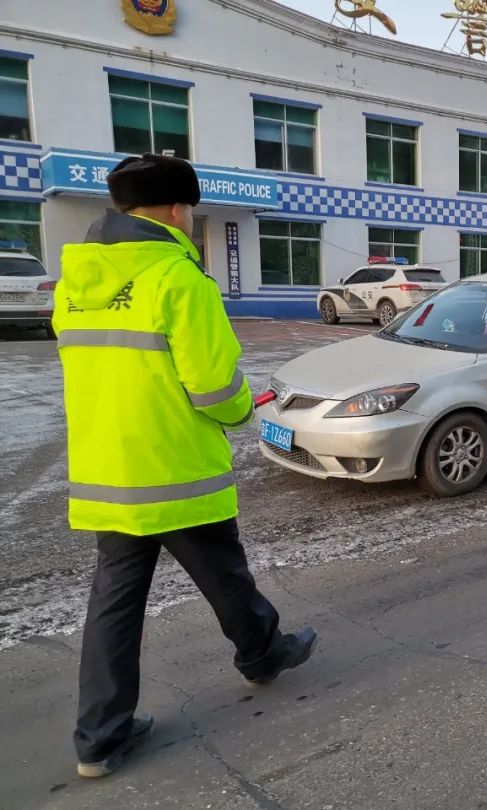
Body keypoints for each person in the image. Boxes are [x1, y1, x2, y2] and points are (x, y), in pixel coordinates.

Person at [53, 154, 317, 779]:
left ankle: (99, 737)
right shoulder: (179, 279)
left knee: (114, 603)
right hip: (174, 467)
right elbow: (213, 386)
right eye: (190, 208)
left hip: (107, 471)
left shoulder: (73, 285)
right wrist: (238, 409)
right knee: (225, 576)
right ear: (176, 210)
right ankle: (261, 656)